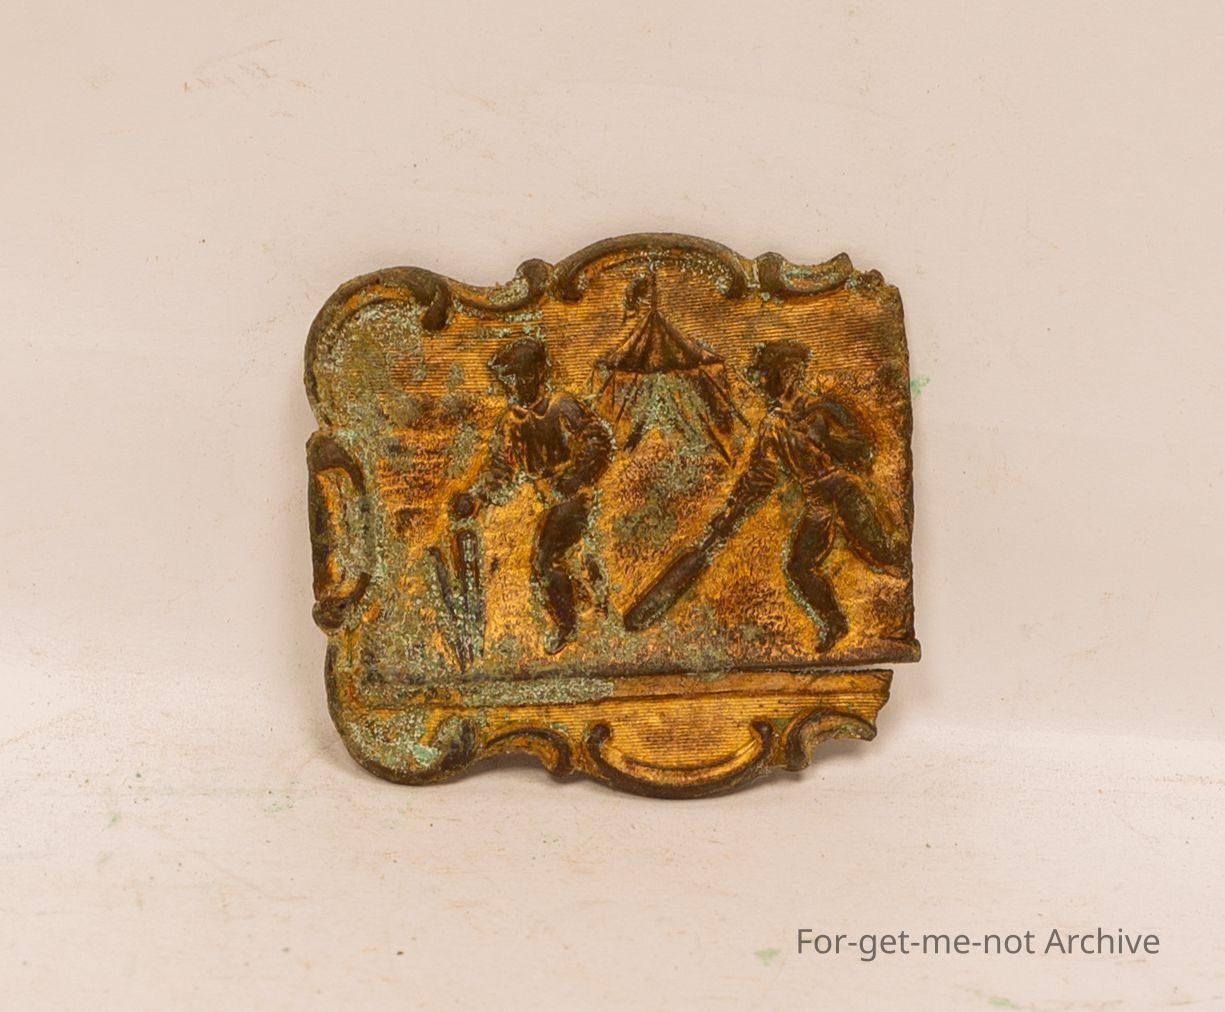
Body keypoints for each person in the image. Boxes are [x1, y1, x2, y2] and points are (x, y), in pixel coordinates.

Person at [705, 339, 907, 650]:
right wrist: (729, 513)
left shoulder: (823, 409)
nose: (759, 381)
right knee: (799, 566)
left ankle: (901, 613)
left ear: (788, 373)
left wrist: (827, 441)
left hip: (844, 492)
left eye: (765, 374)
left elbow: (864, 451)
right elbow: (759, 478)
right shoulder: (772, 426)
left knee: (882, 554)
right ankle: (835, 623)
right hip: (818, 503)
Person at [452, 338, 613, 654]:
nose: (517, 385)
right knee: (575, 554)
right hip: (549, 499)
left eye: (524, 375)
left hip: (576, 496)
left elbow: (598, 441)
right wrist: (474, 497)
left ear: (539, 373)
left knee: (546, 557)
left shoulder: (562, 406)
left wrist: (575, 478)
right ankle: (596, 607)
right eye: (511, 378)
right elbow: (501, 467)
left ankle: (567, 627)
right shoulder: (512, 422)